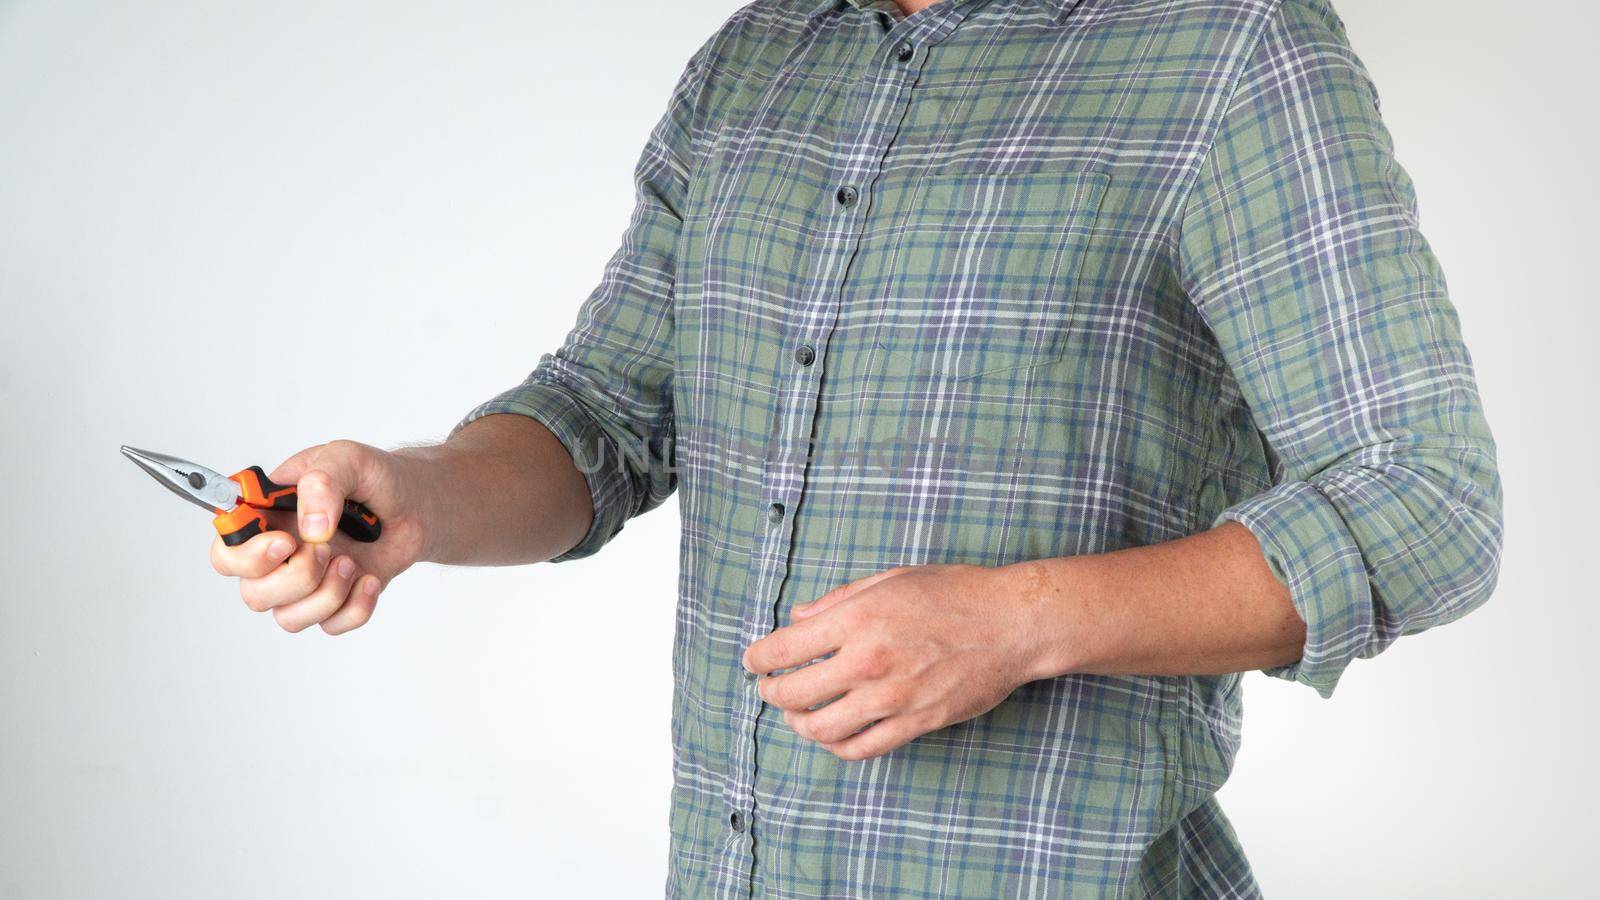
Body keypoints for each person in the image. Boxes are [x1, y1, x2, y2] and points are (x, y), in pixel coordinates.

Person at [208, 0, 1503, 894]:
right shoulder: (756, 60)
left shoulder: (1229, 49)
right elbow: (603, 414)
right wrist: (418, 497)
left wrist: (1018, 623)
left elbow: (1425, 505)